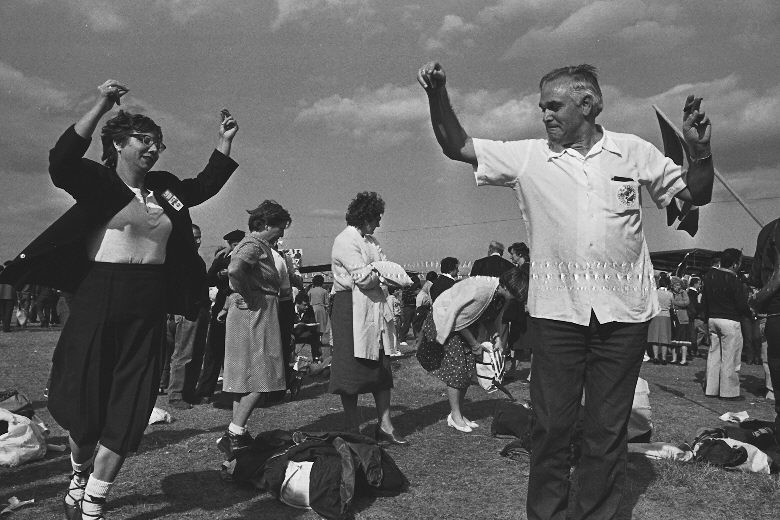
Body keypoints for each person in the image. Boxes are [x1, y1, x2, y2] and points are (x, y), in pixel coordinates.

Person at [418, 61, 714, 520]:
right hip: (557, 317)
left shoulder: (633, 151)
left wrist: (700, 153)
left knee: (607, 431)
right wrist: (437, 95)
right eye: (542, 108)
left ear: (588, 104)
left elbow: (695, 194)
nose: (545, 116)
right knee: (552, 428)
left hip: (624, 318)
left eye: (553, 106)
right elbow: (457, 145)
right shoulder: (530, 157)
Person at [0, 79, 239, 520]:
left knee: (131, 403)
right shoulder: (98, 182)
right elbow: (62, 161)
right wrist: (103, 103)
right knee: (84, 410)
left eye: (158, 143)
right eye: (144, 140)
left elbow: (203, 186)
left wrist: (222, 143)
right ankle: (78, 473)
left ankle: (93, 500)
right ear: (117, 143)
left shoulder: (165, 188)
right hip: (98, 298)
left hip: (148, 306)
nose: (154, 149)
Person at [329, 191, 407, 445]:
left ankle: (385, 424)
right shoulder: (345, 240)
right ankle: (353, 426)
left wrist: (376, 272)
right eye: (376, 218)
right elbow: (364, 278)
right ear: (365, 216)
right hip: (349, 308)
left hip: (374, 307)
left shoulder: (371, 242)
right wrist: (378, 273)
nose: (379, 223)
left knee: (380, 367)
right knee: (351, 368)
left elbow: (387, 269)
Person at [217, 200, 291, 457]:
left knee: (244, 379)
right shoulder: (253, 245)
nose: (282, 233)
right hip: (256, 311)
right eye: (280, 227)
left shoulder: (258, 246)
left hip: (252, 311)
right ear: (266, 224)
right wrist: (248, 294)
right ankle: (234, 433)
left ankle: (237, 431)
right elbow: (236, 269)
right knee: (263, 375)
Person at [421, 268, 526, 432]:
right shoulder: (482, 291)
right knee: (458, 370)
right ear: (506, 287)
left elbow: (488, 317)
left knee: (467, 369)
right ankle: (455, 416)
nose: (518, 298)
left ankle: (457, 413)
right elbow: (458, 320)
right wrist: (475, 345)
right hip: (446, 321)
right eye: (517, 294)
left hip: (460, 325)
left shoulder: (497, 294)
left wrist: (496, 337)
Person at [159, 223, 210, 410]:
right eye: (195, 237)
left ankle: (189, 392)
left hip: (200, 309)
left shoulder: (197, 260)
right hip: (186, 312)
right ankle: (176, 394)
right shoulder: (176, 259)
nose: (198, 241)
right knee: (183, 354)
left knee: (196, 354)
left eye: (199, 237)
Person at [194, 229, 245, 403]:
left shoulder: (246, 258)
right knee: (214, 348)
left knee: (234, 351)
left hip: (239, 304)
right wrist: (219, 275)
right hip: (223, 304)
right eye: (234, 244)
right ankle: (205, 391)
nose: (236, 247)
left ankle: (232, 391)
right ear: (230, 245)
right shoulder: (222, 258)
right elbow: (209, 279)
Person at [702, 248, 752, 400]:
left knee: (714, 355)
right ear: (735, 264)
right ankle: (728, 392)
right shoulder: (734, 279)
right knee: (731, 357)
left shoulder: (709, 276)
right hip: (730, 320)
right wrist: (750, 313)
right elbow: (741, 304)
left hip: (713, 318)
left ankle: (711, 389)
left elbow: (704, 300)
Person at [648, 276, 673, 364]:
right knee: (664, 337)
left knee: (655, 336)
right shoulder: (670, 294)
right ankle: (664, 358)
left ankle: (655, 357)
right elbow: (672, 305)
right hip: (666, 315)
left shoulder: (655, 292)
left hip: (656, 314)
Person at [670, 276, 691, 365]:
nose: (677, 287)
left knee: (683, 339)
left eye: (678, 285)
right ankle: (674, 358)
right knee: (674, 339)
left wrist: (675, 304)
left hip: (683, 319)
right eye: (675, 285)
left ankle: (683, 359)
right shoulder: (670, 293)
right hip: (673, 318)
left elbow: (686, 303)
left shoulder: (684, 293)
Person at [307, 274, 331, 348]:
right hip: (321, 308)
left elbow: (308, 300)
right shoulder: (324, 291)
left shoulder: (310, 291)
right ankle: (319, 340)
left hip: (312, 308)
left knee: (313, 325)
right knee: (321, 325)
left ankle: (313, 339)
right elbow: (327, 303)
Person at [687, 276, 705, 356]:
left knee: (695, 333)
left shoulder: (689, 292)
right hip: (695, 316)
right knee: (697, 333)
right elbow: (695, 305)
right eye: (699, 283)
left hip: (693, 315)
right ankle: (693, 348)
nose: (700, 285)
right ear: (695, 284)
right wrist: (700, 302)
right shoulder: (693, 293)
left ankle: (693, 348)